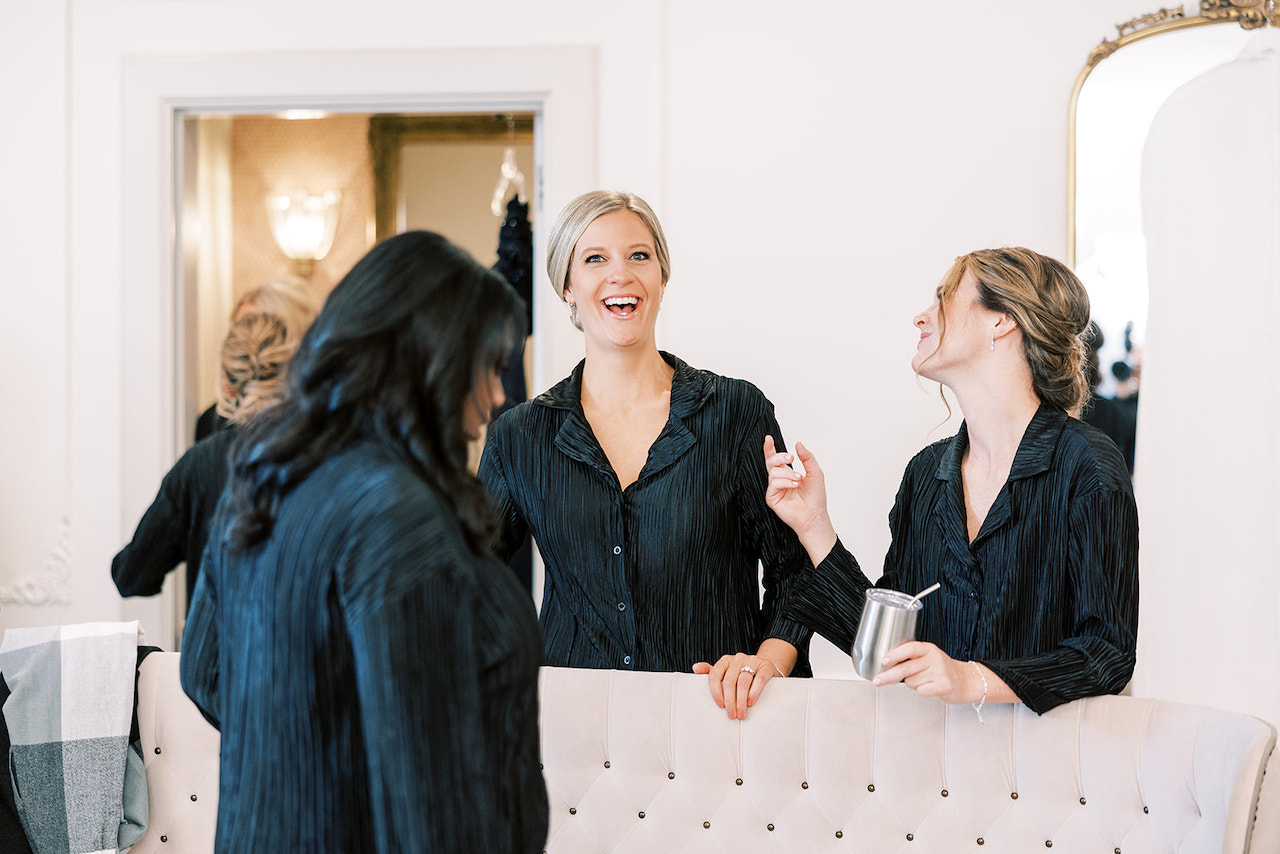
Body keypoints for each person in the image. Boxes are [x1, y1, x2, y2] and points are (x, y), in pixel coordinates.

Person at [180, 231, 547, 853]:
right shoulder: (397, 513)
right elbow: (426, 791)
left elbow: (204, 670)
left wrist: (316, 741)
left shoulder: (267, 476)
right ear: (430, 359)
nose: (497, 394)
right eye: (487, 365)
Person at [703, 247, 1138, 719]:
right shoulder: (925, 475)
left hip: (1038, 763)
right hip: (931, 762)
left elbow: (1107, 654)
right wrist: (814, 526)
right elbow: (887, 653)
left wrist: (971, 678)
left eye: (944, 298)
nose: (921, 317)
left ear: (1002, 321)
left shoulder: (1087, 465)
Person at [478, 189, 813, 680]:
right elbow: (467, 583)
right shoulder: (519, 436)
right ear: (567, 285)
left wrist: (768, 664)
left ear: (661, 277)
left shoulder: (736, 413)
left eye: (639, 256)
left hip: (718, 713)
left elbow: (796, 570)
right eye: (595, 258)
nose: (621, 274)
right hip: (577, 718)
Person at [112, 312, 296, 614]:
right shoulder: (325, 457)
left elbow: (132, 576)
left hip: (216, 642)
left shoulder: (198, 466)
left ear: (226, 385)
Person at [193, 277, 319, 440]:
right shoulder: (212, 422)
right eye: (239, 330)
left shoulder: (323, 419)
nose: (246, 343)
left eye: (261, 331)